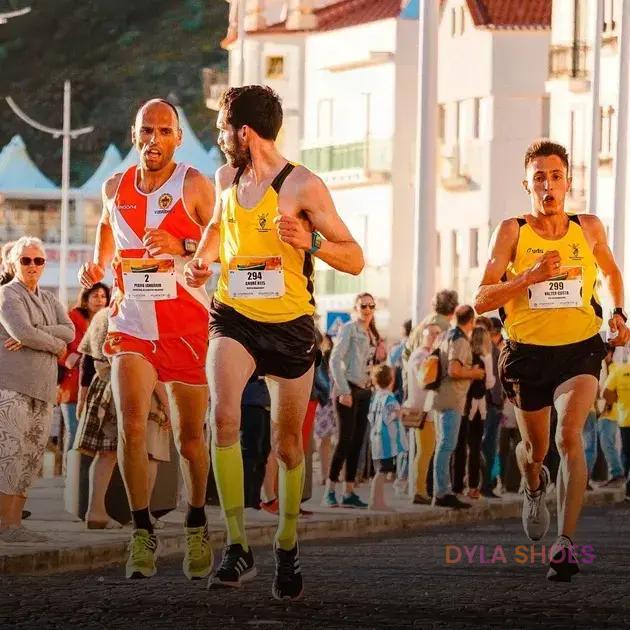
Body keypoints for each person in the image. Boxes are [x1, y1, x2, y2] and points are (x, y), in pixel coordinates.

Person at [184, 85, 363, 600]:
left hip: (289, 326)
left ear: (244, 132)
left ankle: (287, 543)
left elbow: (354, 258)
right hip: (234, 317)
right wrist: (202, 260)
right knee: (223, 417)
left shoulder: (303, 186)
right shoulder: (225, 179)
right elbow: (217, 229)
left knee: (288, 446)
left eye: (222, 131)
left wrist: (313, 242)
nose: (219, 141)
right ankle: (237, 546)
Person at [475, 139, 629, 581]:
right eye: (539, 177)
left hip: (580, 349)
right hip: (527, 355)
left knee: (568, 438)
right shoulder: (511, 231)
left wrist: (618, 313)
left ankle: (565, 543)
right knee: (535, 450)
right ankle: (533, 484)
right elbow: (482, 298)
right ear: (527, 183)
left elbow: (613, 272)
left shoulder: (590, 227)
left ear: (567, 182)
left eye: (556, 176)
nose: (548, 185)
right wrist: (528, 277)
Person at [79, 98, 216, 580]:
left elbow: (222, 243)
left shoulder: (195, 185)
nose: (153, 139)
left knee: (189, 437)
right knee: (131, 424)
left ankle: (197, 520)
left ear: (178, 137)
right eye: (146, 130)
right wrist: (97, 263)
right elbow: (104, 227)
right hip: (132, 322)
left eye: (164, 130)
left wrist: (182, 246)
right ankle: (141, 533)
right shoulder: (115, 185)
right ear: (134, 133)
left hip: (186, 324)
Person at [0, 236, 75, 541]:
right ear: (13, 263)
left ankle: (15, 524)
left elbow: (70, 331)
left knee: (31, 459)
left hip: (43, 390)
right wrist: (53, 343)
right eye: (26, 260)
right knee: (10, 456)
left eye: (38, 260)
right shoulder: (7, 295)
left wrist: (38, 334)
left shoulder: (50, 299)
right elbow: (20, 331)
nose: (32, 266)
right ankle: (5, 524)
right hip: (12, 386)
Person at [75, 307, 172, 529]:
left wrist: (82, 398)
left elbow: (87, 361)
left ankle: (95, 511)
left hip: (104, 386)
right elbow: (150, 361)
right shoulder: (141, 315)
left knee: (106, 454)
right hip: (139, 387)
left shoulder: (102, 315)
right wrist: (167, 402)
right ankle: (142, 514)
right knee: (149, 454)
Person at [325, 293, 381, 510]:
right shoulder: (349, 327)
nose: (367, 309)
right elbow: (335, 359)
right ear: (356, 307)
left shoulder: (372, 332)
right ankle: (330, 490)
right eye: (363, 305)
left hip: (365, 389)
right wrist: (343, 389)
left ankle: (348, 491)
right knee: (344, 440)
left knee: (357, 441)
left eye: (371, 305)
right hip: (347, 388)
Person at [428, 305, 482, 509]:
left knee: (443, 445)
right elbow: (454, 369)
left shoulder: (445, 335)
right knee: (446, 446)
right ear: (472, 321)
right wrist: (474, 373)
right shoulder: (458, 339)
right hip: (452, 398)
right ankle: (442, 492)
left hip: (442, 396)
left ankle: (440, 490)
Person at [58, 283, 110, 470]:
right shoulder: (71, 319)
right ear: (86, 299)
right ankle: (70, 474)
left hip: (101, 388)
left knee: (95, 436)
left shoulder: (110, 320)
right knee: (74, 430)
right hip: (72, 386)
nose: (99, 300)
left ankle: (83, 475)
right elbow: (59, 347)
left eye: (103, 296)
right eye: (95, 296)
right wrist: (67, 359)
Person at [452, 326, 495, 499]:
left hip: (463, 402)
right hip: (478, 405)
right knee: (475, 446)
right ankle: (473, 486)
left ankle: (456, 485)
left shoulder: (467, 355)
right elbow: (490, 383)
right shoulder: (486, 358)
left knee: (460, 446)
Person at [404, 323, 441, 504]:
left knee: (425, 451)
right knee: (425, 452)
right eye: (431, 334)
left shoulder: (421, 355)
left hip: (425, 409)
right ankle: (419, 491)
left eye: (437, 334)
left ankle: (421, 489)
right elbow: (425, 381)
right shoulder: (422, 355)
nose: (434, 337)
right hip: (424, 410)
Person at [367, 364, 407, 511]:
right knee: (382, 472)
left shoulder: (376, 396)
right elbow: (389, 416)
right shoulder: (390, 398)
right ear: (391, 380)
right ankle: (376, 502)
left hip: (376, 439)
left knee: (380, 471)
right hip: (386, 442)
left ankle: (377, 500)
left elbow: (371, 417)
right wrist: (400, 412)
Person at [480, 316, 505, 498]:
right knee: (486, 446)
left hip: (492, 405)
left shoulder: (493, 350)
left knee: (487, 447)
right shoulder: (489, 351)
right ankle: (484, 484)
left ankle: (485, 484)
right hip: (489, 404)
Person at [596, 346, 625, 487]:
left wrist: (607, 404)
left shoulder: (614, 369)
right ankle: (617, 475)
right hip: (603, 413)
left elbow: (612, 392)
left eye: (607, 352)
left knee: (607, 444)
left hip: (610, 413)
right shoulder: (604, 369)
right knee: (606, 443)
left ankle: (617, 474)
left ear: (610, 353)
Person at [603, 355, 630, 500]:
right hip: (622, 418)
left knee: (626, 453)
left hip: (623, 418)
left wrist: (614, 402)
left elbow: (605, 393)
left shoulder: (618, 370)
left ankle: (626, 487)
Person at [313, 334, 335, 486]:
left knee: (330, 441)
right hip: (322, 403)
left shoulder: (331, 359)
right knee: (323, 440)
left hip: (331, 403)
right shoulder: (317, 359)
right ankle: (324, 474)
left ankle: (329, 474)